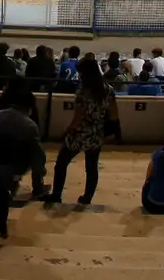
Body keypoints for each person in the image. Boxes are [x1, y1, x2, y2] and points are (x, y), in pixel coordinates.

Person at [44, 55, 117, 206]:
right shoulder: (108, 90)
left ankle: (56, 195)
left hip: (78, 135)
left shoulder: (82, 92)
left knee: (61, 164)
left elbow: (77, 119)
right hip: (97, 133)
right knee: (91, 168)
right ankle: (87, 198)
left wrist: (66, 130)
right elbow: (114, 115)